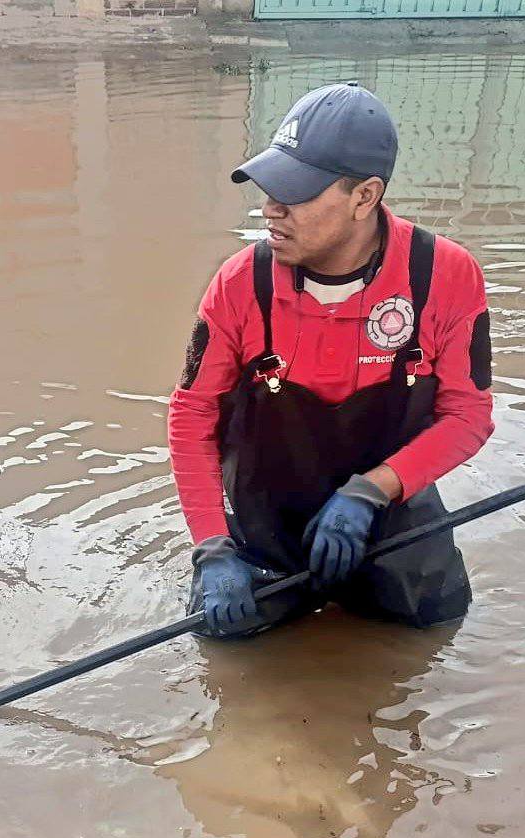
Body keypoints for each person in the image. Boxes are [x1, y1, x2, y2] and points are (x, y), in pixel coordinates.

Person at [168, 82, 494, 638]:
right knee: (222, 636)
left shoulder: (445, 276)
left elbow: (469, 417)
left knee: (436, 628)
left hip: (388, 513)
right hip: (267, 518)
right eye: (269, 189)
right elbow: (192, 417)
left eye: (294, 194)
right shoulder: (240, 283)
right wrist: (211, 547)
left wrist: (373, 490)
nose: (270, 209)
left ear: (364, 197)